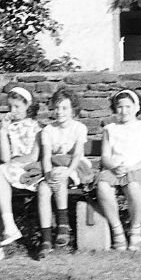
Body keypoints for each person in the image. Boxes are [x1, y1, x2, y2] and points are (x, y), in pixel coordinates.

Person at [0, 86, 41, 262]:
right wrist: (3, 131)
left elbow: (33, 156)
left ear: (27, 105)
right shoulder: (10, 128)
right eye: (10, 107)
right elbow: (4, 157)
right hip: (10, 171)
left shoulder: (36, 127)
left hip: (29, 171)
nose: (13, 110)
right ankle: (6, 231)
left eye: (17, 106)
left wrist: (14, 163)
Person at [95, 89, 141, 252]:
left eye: (128, 107)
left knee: (133, 185)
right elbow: (105, 157)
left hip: (137, 170)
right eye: (120, 107)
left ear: (137, 107)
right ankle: (117, 231)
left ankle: (136, 229)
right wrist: (114, 167)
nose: (124, 111)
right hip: (115, 170)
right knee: (102, 185)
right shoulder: (110, 129)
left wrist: (130, 168)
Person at [36, 88, 92, 259]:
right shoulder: (48, 130)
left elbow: (77, 155)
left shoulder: (79, 128)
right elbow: (46, 156)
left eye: (64, 108)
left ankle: (63, 224)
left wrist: (67, 172)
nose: (60, 112)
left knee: (60, 176)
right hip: (53, 168)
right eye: (57, 108)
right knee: (43, 189)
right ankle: (46, 239)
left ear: (73, 110)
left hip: (75, 168)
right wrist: (47, 174)